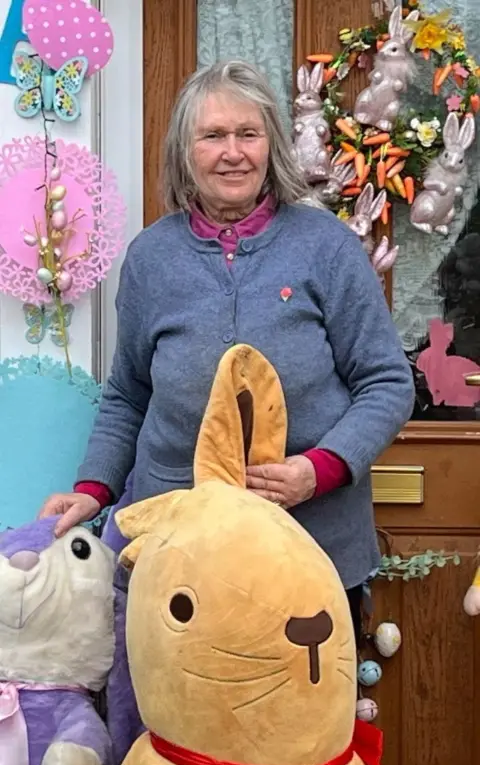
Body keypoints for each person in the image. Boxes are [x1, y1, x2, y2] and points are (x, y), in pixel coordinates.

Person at [40, 60, 415, 641]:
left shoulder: (327, 248)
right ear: (185, 152)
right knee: (184, 697)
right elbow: (128, 396)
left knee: (301, 695)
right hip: (182, 554)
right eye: (213, 135)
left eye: (248, 133)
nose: (232, 152)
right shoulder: (151, 259)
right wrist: (94, 490)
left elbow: (387, 383)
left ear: (272, 145)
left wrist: (319, 469)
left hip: (310, 544)